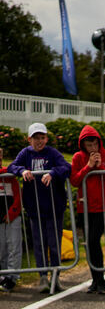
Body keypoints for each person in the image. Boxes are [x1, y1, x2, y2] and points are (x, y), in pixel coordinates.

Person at [8, 123, 71, 293]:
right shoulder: (25, 153)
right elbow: (11, 166)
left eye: (42, 137)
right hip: (34, 208)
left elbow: (66, 167)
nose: (39, 141)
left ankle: (55, 276)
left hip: (54, 207)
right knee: (39, 244)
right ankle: (42, 276)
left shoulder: (52, 153)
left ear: (46, 138)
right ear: (29, 139)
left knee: (54, 243)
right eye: (36, 138)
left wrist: (52, 173)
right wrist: (22, 170)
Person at [70, 125, 105, 294]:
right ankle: (96, 280)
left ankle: (100, 280)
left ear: (99, 143)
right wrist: (88, 166)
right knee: (90, 244)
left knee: (93, 240)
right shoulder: (78, 157)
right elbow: (74, 181)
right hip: (85, 206)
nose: (92, 148)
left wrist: (100, 167)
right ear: (83, 145)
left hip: (103, 206)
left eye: (95, 144)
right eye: (88, 145)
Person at [0, 149, 22, 292]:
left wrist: (11, 214)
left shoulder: (8, 175)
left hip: (11, 217)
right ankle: (3, 275)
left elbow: (18, 198)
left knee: (13, 246)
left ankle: (12, 276)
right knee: (2, 248)